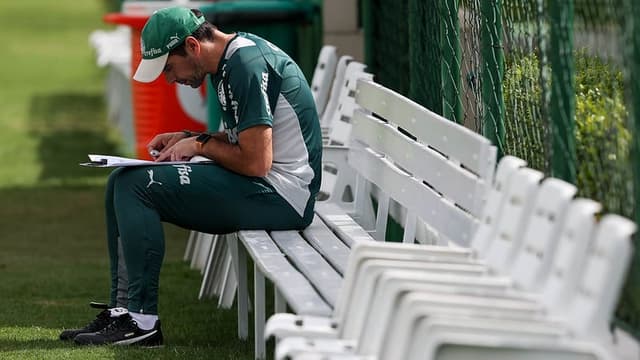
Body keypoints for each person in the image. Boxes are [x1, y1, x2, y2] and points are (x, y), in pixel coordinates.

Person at [59, 6, 322, 346]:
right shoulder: (231, 60)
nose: (169, 79)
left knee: (137, 185)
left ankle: (141, 322)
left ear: (193, 46)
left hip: (284, 196)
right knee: (120, 179)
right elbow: (242, 141)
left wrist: (198, 144)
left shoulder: (245, 64)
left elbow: (256, 161)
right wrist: (187, 136)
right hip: (269, 185)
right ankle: (123, 312)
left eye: (169, 67)